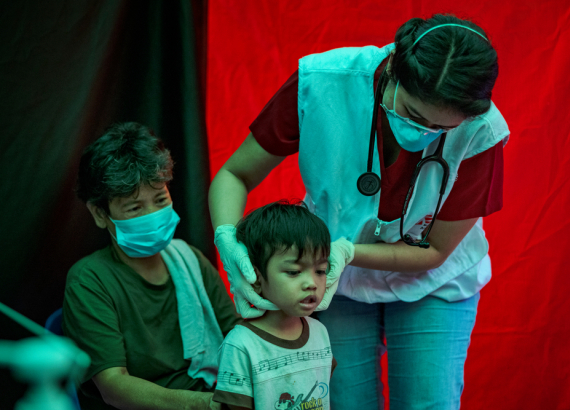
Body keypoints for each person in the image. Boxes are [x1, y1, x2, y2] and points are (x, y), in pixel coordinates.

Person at [208, 13, 509, 410]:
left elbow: (433, 252)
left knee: (429, 403)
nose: (423, 134)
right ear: (394, 71)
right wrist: (227, 238)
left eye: (442, 128)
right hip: (335, 282)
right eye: (415, 115)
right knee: (345, 402)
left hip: (435, 281)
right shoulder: (323, 82)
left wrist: (345, 249)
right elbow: (235, 174)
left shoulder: (483, 131)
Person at [63, 122, 240, 410]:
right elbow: (114, 387)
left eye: (160, 199)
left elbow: (236, 336)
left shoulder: (190, 260)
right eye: (135, 208)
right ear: (99, 213)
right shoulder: (90, 281)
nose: (153, 215)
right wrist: (208, 405)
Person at [212, 200, 337, 410]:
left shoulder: (320, 332)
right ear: (256, 277)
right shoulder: (241, 345)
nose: (311, 283)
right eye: (293, 272)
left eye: (320, 271)